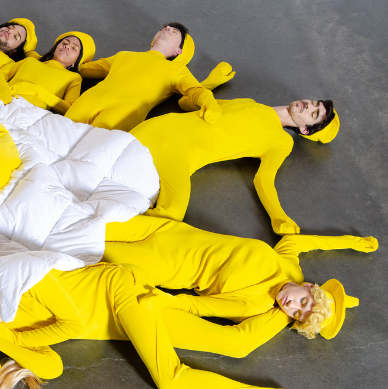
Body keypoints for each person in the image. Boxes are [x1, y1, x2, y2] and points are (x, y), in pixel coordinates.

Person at [0, 263, 331, 389]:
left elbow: (71, 325)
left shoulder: (22, 277)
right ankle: (287, 312)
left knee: (171, 380)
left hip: (118, 294)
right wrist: (2, 338)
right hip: (120, 322)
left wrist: (15, 336)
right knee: (233, 343)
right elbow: (52, 365)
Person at [100, 215, 374, 354]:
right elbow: (300, 242)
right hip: (170, 230)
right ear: (309, 286)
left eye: (296, 314)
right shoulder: (289, 265)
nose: (291, 305)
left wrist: (167, 301)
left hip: (163, 265)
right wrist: (352, 242)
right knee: (87, 219)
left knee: (83, 244)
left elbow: (200, 306)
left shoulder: (253, 306)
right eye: (303, 301)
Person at [132, 99, 340, 232]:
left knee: (169, 211)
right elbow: (188, 102)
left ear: (305, 130)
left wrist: (278, 216)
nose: (309, 105)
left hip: (175, 153)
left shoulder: (282, 142)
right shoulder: (250, 103)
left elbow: (264, 179)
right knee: (171, 214)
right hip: (162, 129)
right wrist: (209, 85)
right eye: (314, 103)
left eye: (314, 114)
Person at [65, 23, 223, 132]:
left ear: (178, 51)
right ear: (153, 39)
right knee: (57, 134)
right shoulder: (124, 55)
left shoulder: (176, 70)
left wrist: (209, 103)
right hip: (91, 98)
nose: (167, 29)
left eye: (174, 32)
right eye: (165, 28)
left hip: (125, 111)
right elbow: (86, 69)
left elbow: (196, 90)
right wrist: (60, 61)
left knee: (91, 150)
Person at [0, 31, 95, 113]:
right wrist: (3, 88)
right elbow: (1, 73)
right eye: (65, 43)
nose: (67, 46)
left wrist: (37, 91)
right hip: (1, 98)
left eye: (74, 48)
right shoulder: (30, 61)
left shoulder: (74, 77)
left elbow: (69, 107)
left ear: (76, 62)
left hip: (31, 112)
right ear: (54, 49)